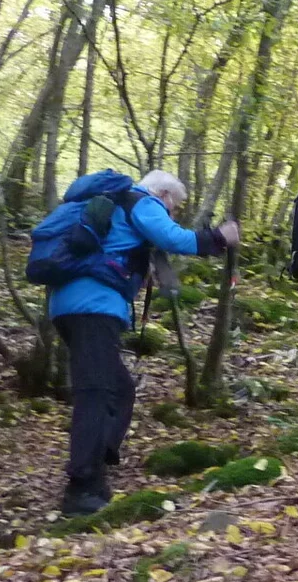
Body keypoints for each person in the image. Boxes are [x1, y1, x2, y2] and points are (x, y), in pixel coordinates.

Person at [47, 170, 236, 516]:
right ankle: (81, 488)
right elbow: (172, 237)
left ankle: (99, 462)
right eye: (174, 206)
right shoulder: (141, 201)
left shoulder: (115, 207)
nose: (173, 213)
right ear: (163, 194)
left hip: (70, 306)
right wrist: (218, 238)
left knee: (119, 389)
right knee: (96, 392)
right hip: (94, 307)